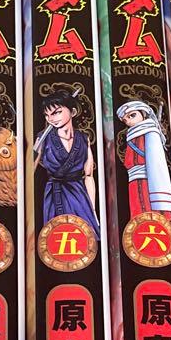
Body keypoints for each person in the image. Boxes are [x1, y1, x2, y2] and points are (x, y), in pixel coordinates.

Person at [35, 87, 99, 235]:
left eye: (56, 112)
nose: (51, 118)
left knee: (87, 235)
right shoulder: (42, 139)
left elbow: (88, 176)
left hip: (79, 193)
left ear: (73, 112)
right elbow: (28, 172)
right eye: (47, 115)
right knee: (57, 236)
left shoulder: (83, 139)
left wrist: (93, 210)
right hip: (54, 193)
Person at [117, 99, 171, 216]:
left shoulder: (151, 132)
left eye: (132, 115)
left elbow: (155, 161)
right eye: (125, 120)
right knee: (138, 212)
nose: (129, 121)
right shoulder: (131, 134)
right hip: (134, 180)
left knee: (152, 211)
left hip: (149, 179)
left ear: (143, 113)